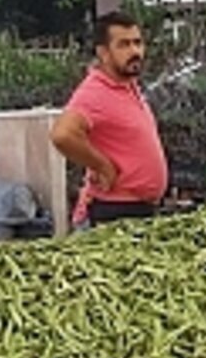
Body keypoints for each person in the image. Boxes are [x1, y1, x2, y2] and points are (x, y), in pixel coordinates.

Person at [51, 12, 168, 227]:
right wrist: (103, 166)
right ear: (103, 53)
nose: (135, 51)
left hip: (139, 209)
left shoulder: (128, 86)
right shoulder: (95, 92)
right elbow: (62, 134)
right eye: (123, 45)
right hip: (115, 211)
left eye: (137, 43)